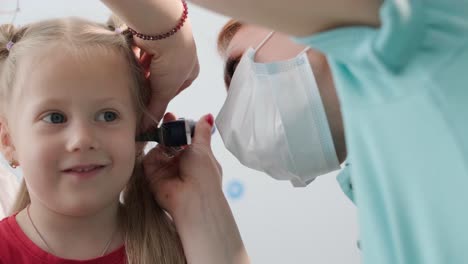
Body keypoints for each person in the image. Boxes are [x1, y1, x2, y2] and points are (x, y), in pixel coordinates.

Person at [187, 0, 468, 263]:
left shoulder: (421, 33)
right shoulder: (380, 209)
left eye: (236, 69)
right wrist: (204, 209)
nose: (236, 113)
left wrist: (168, 38)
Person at [0, 16, 248, 263]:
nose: (82, 139)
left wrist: (202, 203)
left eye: (108, 115)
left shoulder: (186, 246)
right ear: (8, 141)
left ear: (138, 132)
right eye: (54, 118)